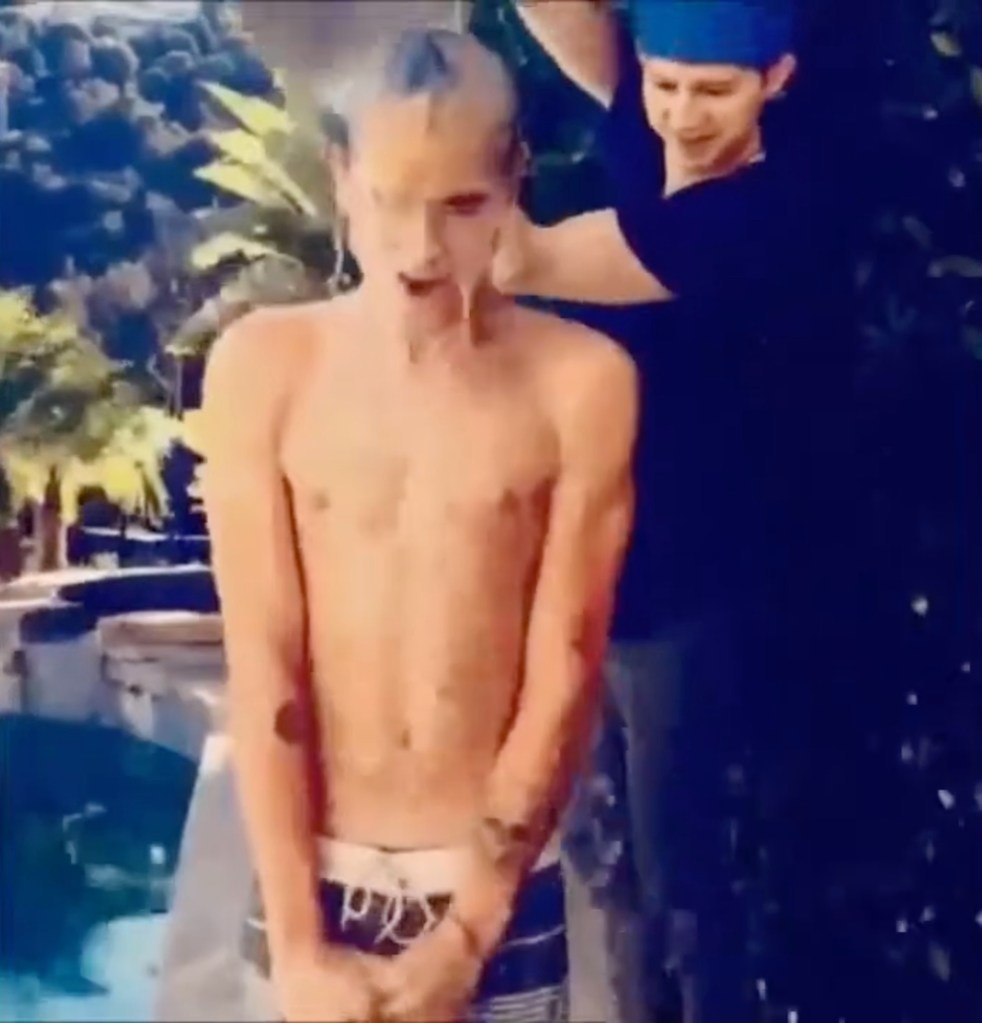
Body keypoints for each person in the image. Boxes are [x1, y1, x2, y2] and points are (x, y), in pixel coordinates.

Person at [198, 27, 638, 1023]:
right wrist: (301, 947)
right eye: (391, 202)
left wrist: (469, 935)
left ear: (515, 181)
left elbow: (563, 668)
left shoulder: (580, 387)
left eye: (462, 207)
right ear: (341, 175)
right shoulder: (266, 369)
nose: (419, 250)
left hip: (491, 882)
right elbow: (263, 659)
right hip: (306, 874)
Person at [498, 1, 880, 1020]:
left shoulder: (767, 212)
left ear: (777, 81)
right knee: (610, 879)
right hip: (592, 586)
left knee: (690, 886)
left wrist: (414, 183)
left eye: (713, 92)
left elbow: (522, 260)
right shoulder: (655, 125)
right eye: (662, 84)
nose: (681, 115)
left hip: (699, 602)